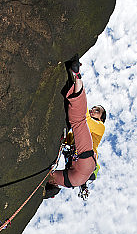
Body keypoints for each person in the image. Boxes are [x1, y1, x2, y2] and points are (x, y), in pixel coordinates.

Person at [44, 55, 106, 198]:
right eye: (93, 108)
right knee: (46, 177)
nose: (92, 110)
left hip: (85, 161)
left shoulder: (99, 127)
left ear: (101, 118)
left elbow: (82, 119)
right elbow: (69, 139)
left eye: (97, 111)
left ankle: (77, 76)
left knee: (78, 121)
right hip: (76, 176)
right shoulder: (81, 130)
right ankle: (49, 190)